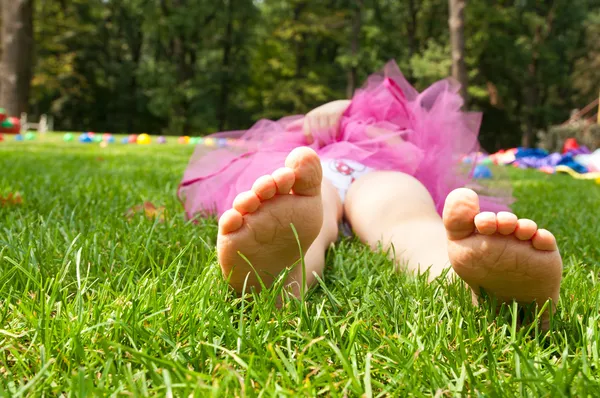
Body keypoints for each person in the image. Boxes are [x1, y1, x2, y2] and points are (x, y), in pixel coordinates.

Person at [179, 61, 562, 328]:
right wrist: (331, 110)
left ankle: (474, 281)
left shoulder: (396, 137)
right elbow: (295, 132)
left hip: (379, 177)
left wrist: (370, 126)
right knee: (310, 209)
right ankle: (283, 276)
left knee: (406, 220)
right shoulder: (317, 132)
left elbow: (413, 149)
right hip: (318, 175)